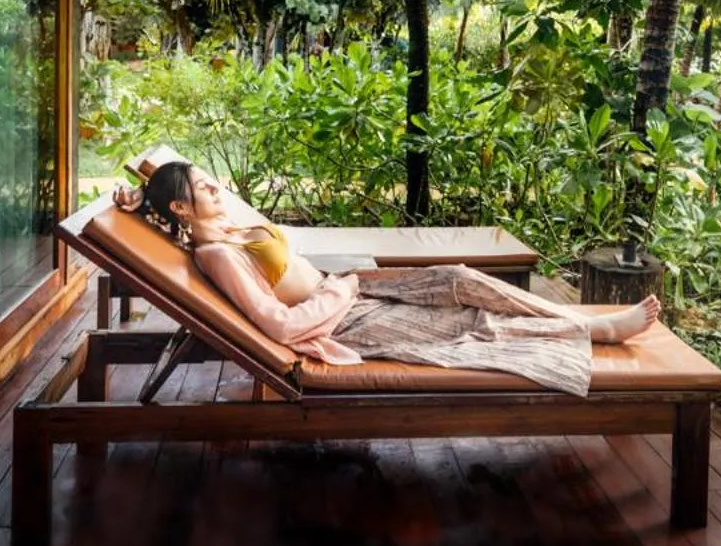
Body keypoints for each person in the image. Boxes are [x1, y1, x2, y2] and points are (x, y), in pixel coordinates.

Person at [113, 161, 660, 397]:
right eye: (204, 189)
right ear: (183, 208)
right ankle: (594, 332)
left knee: (459, 278)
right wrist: (339, 289)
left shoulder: (222, 223)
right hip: (347, 318)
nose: (217, 190)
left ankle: (574, 320)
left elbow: (171, 198)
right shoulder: (216, 256)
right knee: (468, 326)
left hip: (353, 289)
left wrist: (140, 200)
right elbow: (277, 325)